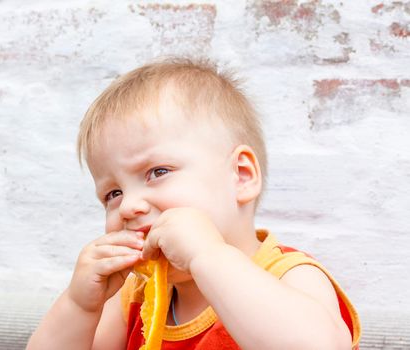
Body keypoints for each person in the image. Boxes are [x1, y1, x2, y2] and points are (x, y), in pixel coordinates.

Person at [26, 58, 361, 350]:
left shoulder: (288, 274)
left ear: (241, 176)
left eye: (157, 172)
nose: (128, 206)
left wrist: (207, 255)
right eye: (112, 194)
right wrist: (80, 306)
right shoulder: (134, 296)